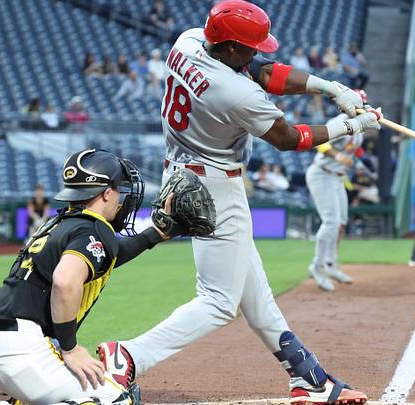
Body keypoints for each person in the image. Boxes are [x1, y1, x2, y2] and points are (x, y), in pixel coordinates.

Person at [95, 2, 379, 404]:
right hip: (213, 188)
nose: (255, 52)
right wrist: (350, 125)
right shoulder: (234, 92)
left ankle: (308, 376)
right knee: (218, 301)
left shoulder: (190, 40)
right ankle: (129, 355)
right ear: (228, 47)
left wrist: (332, 88)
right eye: (248, 46)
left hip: (183, 171)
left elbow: (263, 69)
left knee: (253, 290)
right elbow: (288, 138)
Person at [0, 149, 211, 404]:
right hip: (17, 354)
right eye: (118, 190)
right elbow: (65, 280)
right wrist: (71, 348)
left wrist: (156, 233)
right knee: (120, 399)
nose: (121, 199)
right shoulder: (93, 229)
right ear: (106, 193)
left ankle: (8, 397)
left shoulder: (60, 223)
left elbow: (106, 256)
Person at [305, 89, 375, 291]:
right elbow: (319, 143)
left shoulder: (359, 125)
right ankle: (317, 266)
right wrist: (336, 156)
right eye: (359, 104)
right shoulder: (338, 122)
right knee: (331, 222)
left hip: (337, 178)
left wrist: (367, 162)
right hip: (322, 173)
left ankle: (330, 264)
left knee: (341, 223)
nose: (362, 108)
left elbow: (355, 146)